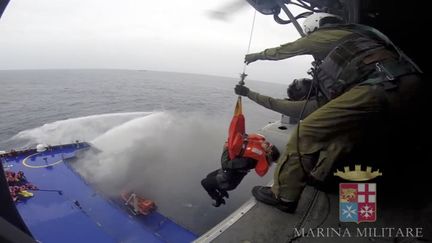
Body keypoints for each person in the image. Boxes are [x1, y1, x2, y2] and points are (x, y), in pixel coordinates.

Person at [241, 12, 423, 213]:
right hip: (410, 84)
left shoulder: (324, 38)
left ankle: (283, 196)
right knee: (350, 140)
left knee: (305, 133)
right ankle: (332, 188)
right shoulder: (361, 36)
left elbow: (287, 52)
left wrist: (255, 58)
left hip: (381, 86)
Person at [201, 133, 280, 207]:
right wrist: (242, 137)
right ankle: (221, 191)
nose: (265, 144)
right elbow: (245, 137)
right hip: (229, 173)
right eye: (268, 144)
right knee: (209, 176)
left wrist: (226, 149)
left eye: (268, 146)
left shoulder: (248, 161)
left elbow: (225, 165)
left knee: (205, 182)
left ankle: (217, 199)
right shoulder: (255, 154)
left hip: (228, 181)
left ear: (267, 153)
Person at [234, 78, 319, 120]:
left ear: (304, 97)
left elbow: (272, 103)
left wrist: (248, 93)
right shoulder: (319, 98)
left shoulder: (311, 107)